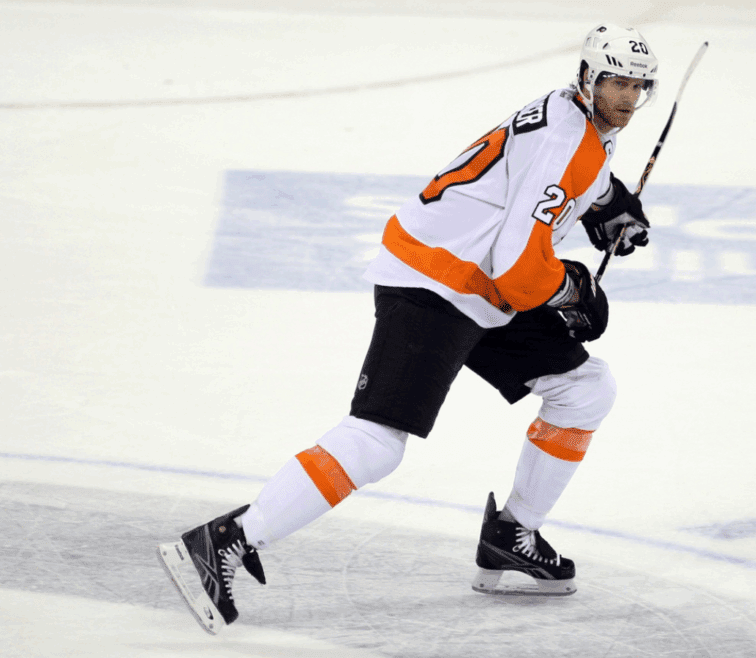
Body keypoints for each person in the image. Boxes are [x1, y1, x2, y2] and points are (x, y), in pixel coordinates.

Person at [159, 22, 659, 634]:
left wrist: (607, 204)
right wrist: (570, 289)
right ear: (587, 77)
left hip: (478, 285)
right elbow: (518, 265)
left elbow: (559, 186)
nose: (626, 98)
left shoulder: (575, 121)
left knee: (585, 388)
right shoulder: (570, 141)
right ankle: (225, 540)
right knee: (376, 441)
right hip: (436, 284)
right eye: (614, 82)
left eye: (638, 86)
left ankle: (511, 534)